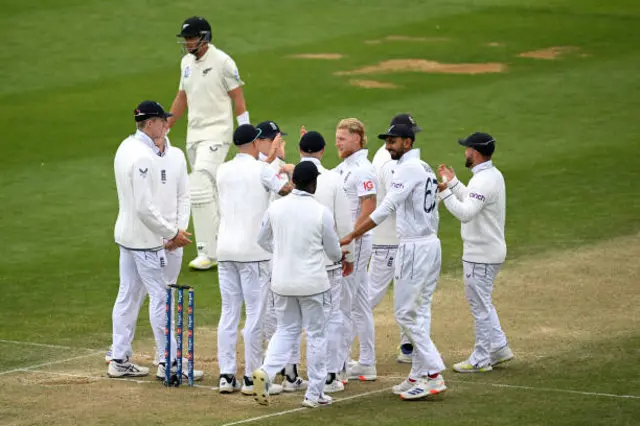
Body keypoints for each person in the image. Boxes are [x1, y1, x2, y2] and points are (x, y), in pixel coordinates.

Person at [340, 123, 447, 400]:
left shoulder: (407, 169)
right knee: (419, 312)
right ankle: (417, 375)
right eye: (387, 141)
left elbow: (385, 208)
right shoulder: (424, 167)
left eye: (393, 141)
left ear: (408, 142)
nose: (388, 146)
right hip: (430, 244)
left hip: (413, 247)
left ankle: (433, 375)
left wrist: (353, 233)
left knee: (405, 313)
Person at [105, 128, 203, 382]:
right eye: (161, 120)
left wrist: (176, 233)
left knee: (131, 294)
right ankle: (168, 362)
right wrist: (169, 234)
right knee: (158, 296)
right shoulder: (139, 155)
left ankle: (119, 358)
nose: (166, 125)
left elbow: (184, 196)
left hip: (145, 238)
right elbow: (143, 207)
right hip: (146, 240)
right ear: (151, 124)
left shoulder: (171, 155)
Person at [253, 161, 343, 408]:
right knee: (316, 334)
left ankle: (266, 373)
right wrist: (338, 257)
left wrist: (281, 251)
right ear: (314, 182)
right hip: (314, 283)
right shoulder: (321, 211)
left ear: (293, 182)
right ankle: (315, 393)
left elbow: (261, 240)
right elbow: (334, 251)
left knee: (286, 330)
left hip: (282, 283)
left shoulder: (276, 208)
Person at [215, 124, 293, 395]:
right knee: (255, 316)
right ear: (256, 142)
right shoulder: (263, 171)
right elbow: (287, 190)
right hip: (254, 254)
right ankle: (250, 377)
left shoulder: (222, 170)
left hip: (224, 250)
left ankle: (226, 375)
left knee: (228, 313)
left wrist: (269, 162)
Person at [168, 16, 250, 271]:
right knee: (212, 191)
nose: (188, 43)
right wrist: (165, 126)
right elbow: (182, 97)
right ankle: (229, 241)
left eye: (191, 38)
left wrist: (246, 132)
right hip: (194, 135)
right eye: (186, 39)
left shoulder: (223, 61)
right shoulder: (186, 63)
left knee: (200, 186)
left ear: (204, 37)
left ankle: (208, 252)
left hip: (217, 133)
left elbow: (238, 97)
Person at [280, 129, 355, 393]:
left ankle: (289, 375)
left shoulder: (289, 177)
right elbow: (344, 223)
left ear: (300, 151)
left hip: (292, 264)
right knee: (330, 319)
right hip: (327, 265)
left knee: (290, 322)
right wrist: (350, 255)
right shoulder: (334, 179)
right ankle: (331, 376)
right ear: (322, 151)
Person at [437, 132, 513, 373]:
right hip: (486, 251)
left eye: (467, 149)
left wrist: (444, 192)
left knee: (479, 306)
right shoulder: (490, 175)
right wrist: (454, 184)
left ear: (476, 153)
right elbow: (472, 200)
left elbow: (466, 212)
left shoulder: (484, 180)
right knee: (483, 302)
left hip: (481, 254)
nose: (465, 153)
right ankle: (499, 348)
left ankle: (481, 359)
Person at [369, 113, 421, 364]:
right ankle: (339, 341)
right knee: (369, 296)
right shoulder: (389, 163)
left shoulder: (392, 158)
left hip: (395, 239)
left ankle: (408, 345)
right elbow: (394, 202)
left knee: (408, 293)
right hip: (388, 240)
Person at [333, 118, 377, 381]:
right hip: (351, 241)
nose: (337, 142)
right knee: (360, 302)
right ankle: (367, 363)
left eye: (342, 138)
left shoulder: (364, 169)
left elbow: (369, 208)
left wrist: (351, 237)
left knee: (344, 304)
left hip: (356, 243)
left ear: (358, 139)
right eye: (336, 137)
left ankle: (339, 365)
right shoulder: (346, 166)